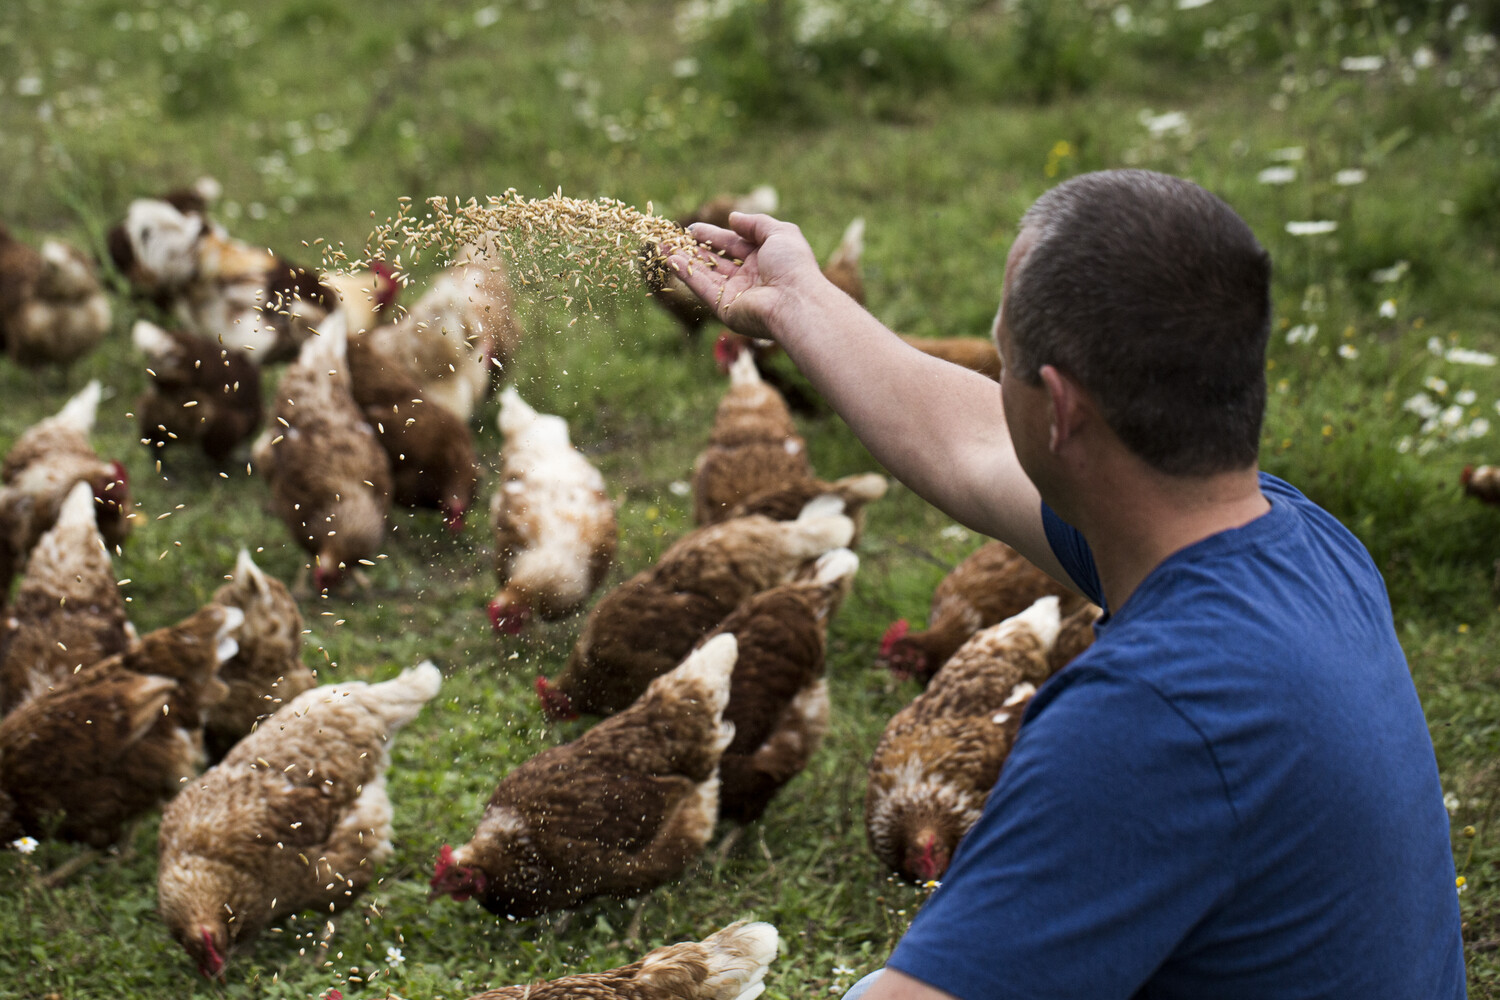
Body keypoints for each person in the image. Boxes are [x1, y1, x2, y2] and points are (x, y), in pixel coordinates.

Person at [666, 169, 1465, 999]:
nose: (992, 385)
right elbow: (966, 445)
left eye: (1002, 358)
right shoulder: (1302, 546)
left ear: (1059, 410)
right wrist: (796, 301)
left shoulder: (1151, 720)